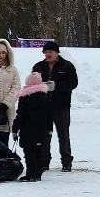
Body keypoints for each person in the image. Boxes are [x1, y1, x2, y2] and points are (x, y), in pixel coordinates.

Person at [40, 42, 80, 170]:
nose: (48, 54)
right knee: (44, 135)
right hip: (44, 106)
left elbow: (73, 83)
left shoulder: (67, 66)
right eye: (46, 52)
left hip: (61, 106)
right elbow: (33, 84)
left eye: (50, 52)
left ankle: (66, 162)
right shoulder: (39, 66)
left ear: (57, 53)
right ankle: (44, 162)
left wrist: (56, 86)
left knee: (63, 135)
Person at [14, 65, 57, 181]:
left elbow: (20, 115)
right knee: (39, 152)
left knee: (29, 154)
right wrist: (49, 129)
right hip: (42, 130)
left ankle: (31, 174)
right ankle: (38, 174)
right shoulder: (46, 97)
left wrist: (15, 129)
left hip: (28, 130)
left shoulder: (24, 98)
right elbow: (49, 115)